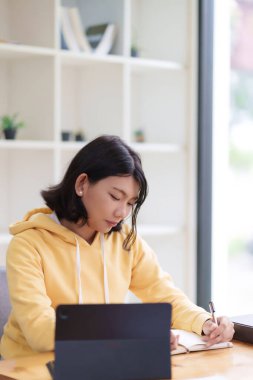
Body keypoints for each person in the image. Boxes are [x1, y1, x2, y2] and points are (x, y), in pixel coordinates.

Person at [0, 135, 234, 359]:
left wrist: (204, 322)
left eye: (130, 203)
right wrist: (131, 333)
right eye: (115, 196)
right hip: (29, 369)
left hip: (99, 363)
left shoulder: (124, 240)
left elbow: (164, 295)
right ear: (82, 184)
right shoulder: (28, 244)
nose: (122, 213)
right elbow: (40, 331)